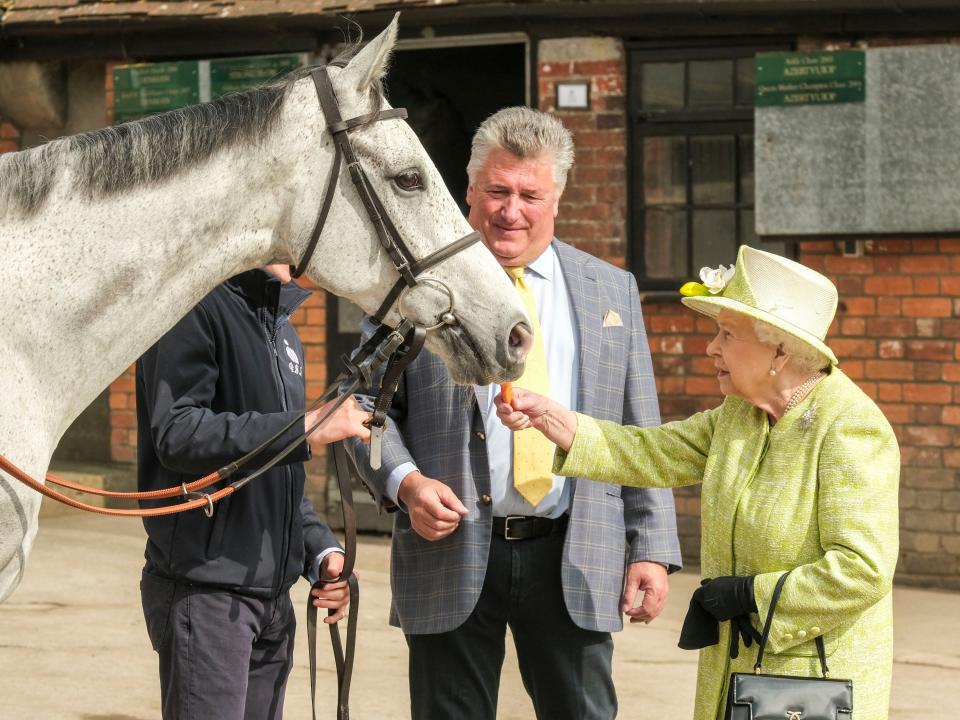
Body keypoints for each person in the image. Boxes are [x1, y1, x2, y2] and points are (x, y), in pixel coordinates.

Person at [348, 106, 681, 720]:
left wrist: (651, 548)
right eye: (497, 191)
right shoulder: (415, 286)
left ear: (557, 198)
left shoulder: (611, 290)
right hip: (449, 549)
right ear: (469, 190)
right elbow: (363, 403)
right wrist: (406, 482)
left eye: (530, 194)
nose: (511, 210)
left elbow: (640, 429)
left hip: (574, 552)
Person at [497, 245, 900, 720]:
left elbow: (862, 569)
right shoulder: (740, 415)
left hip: (816, 684)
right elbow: (652, 452)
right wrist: (556, 420)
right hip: (740, 670)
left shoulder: (850, 427)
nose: (712, 347)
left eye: (727, 334)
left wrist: (752, 595)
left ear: (780, 351)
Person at [136, 264, 370, 720]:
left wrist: (323, 555)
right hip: (206, 596)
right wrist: (308, 425)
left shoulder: (282, 333)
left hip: (271, 600)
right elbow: (178, 433)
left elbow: (273, 479)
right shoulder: (191, 306)